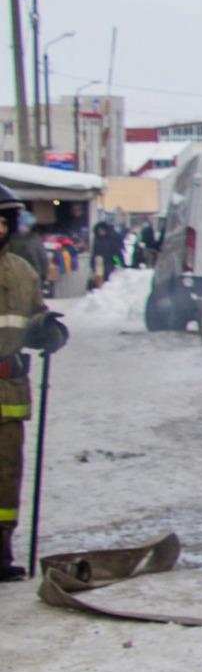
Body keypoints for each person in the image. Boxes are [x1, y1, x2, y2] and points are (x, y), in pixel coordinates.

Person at [0, 184, 68, 581]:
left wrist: (47, 330)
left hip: (8, 393)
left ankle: (1, 552)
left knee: (6, 477)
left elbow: (32, 317)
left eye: (3, 221)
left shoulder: (22, 273)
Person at [6, 208, 50, 289]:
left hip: (18, 280)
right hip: (31, 279)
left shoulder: (10, 239)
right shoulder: (35, 239)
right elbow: (43, 259)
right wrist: (43, 275)